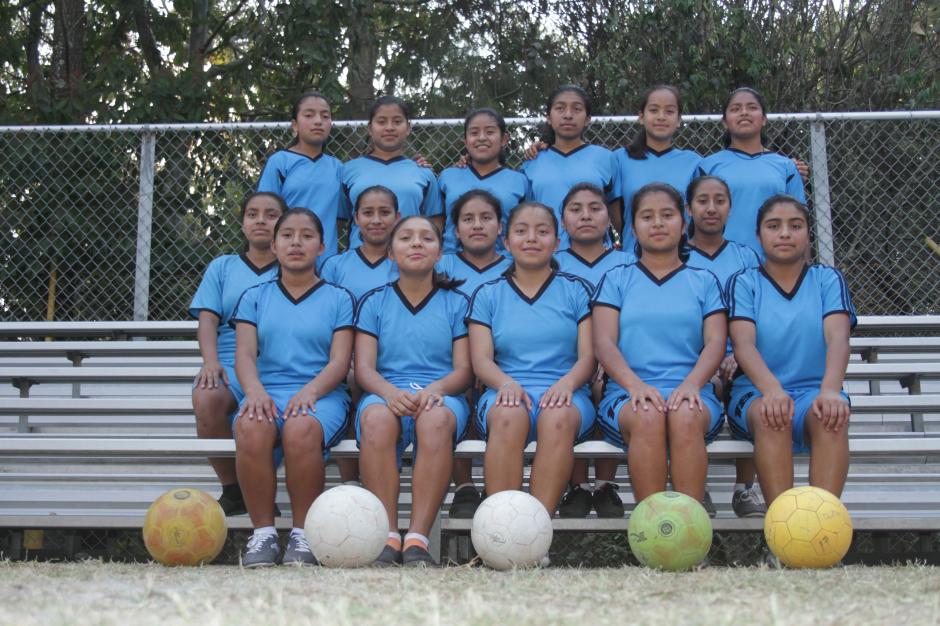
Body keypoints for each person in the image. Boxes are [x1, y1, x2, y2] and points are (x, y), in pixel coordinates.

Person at [231, 208, 354, 567]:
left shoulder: (339, 298)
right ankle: (263, 534)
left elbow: (339, 362)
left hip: (322, 395)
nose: (296, 243)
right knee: (251, 427)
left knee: (301, 428)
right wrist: (254, 392)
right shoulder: (254, 297)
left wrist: (311, 392)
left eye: (306, 236)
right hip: (268, 392)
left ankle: (303, 535)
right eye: (287, 236)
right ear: (274, 244)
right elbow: (244, 355)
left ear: (322, 246)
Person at [593, 183, 727, 505]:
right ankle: (651, 531)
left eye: (667, 215)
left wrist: (693, 384)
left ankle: (691, 533)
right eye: (647, 216)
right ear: (633, 227)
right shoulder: (616, 279)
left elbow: (716, 341)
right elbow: (604, 342)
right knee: (647, 415)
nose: (657, 224)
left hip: (693, 391)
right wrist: (635, 386)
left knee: (685, 415)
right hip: (626, 393)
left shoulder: (704, 281)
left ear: (683, 224)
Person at [355, 216, 473, 566]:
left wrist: (435, 389)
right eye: (406, 238)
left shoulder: (457, 302)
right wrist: (390, 394)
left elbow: (465, 370)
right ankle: (388, 537)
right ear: (390, 253)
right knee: (376, 419)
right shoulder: (374, 301)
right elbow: (363, 368)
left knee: (435, 419)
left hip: (441, 394)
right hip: (385, 391)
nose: (417, 243)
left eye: (426, 238)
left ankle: (417, 540)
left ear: (440, 253)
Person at [467, 201, 596, 519]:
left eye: (542, 231)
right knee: (509, 414)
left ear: (557, 241)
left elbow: (588, 356)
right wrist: (505, 383)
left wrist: (567, 383)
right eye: (521, 231)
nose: (532, 239)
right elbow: (481, 359)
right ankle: (502, 527)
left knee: (559, 416)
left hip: (567, 392)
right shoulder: (488, 294)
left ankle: (537, 529)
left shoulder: (577, 291)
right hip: (506, 388)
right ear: (507, 242)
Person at [727, 194, 855, 509]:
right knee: (773, 416)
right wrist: (771, 390)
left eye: (795, 226)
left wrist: (830, 391)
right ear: (759, 235)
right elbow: (743, 345)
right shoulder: (744, 283)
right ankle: (781, 535)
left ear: (808, 233)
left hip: (814, 391)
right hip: (756, 393)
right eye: (774, 226)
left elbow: (838, 338)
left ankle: (821, 529)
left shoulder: (827, 279)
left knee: (830, 416)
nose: (785, 233)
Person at [189, 191, 284, 516]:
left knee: (266, 412)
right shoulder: (223, 267)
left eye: (271, 215)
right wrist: (211, 361)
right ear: (242, 223)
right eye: (253, 214)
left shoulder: (295, 268)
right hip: (230, 360)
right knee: (206, 396)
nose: (261, 220)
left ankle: (259, 489)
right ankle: (233, 490)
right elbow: (207, 320)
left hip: (277, 365)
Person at [554, 183, 635, 519]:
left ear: (609, 217)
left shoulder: (629, 262)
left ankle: (604, 485)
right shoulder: (550, 262)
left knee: (607, 385)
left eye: (595, 208)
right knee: (571, 391)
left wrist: (606, 361)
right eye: (575, 209)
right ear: (562, 220)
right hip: (566, 361)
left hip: (618, 357)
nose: (585, 215)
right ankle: (575, 485)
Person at [684, 175, 763, 517]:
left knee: (755, 386)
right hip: (691, 357)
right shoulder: (675, 255)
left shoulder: (747, 257)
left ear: (730, 208)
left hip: (740, 355)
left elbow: (758, 312)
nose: (711, 208)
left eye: (719, 200)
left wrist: (735, 354)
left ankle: (743, 489)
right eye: (702, 201)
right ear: (689, 208)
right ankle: (694, 487)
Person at [435, 190, 513, 518]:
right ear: (455, 231)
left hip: (505, 360)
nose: (477, 225)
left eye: (486, 218)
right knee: (457, 385)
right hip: (452, 357)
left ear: (500, 227)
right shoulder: (441, 265)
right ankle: (465, 485)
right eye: (468, 219)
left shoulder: (516, 264)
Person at [697, 87, 807, 257]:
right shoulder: (707, 166)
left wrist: (802, 269)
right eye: (735, 109)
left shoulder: (786, 167)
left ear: (763, 119)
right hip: (723, 264)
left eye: (752, 107)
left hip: (773, 266)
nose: (744, 113)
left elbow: (800, 223)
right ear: (725, 121)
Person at [521, 85, 617, 248]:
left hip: (594, 255)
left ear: (587, 119)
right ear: (549, 118)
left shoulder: (606, 158)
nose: (568, 115)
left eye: (576, 109)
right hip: (548, 256)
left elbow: (616, 212)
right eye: (560, 108)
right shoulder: (533, 161)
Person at [256, 92, 346, 263]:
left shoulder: (337, 168)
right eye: (309, 115)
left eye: (325, 116)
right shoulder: (280, 162)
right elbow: (267, 213)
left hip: (325, 263)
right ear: (295, 125)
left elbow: (339, 218)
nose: (318, 121)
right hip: (287, 262)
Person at [611, 85, 702, 252]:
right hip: (635, 258)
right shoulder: (620, 159)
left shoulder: (693, 162)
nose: (661, 117)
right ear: (641, 117)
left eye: (669, 111)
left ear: (679, 119)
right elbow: (616, 213)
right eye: (654, 110)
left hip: (681, 260)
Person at [342, 95, 442, 247]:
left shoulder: (423, 172)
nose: (389, 127)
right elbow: (338, 219)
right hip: (361, 263)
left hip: (410, 259)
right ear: (370, 128)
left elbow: (436, 220)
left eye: (397, 121)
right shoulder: (348, 170)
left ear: (408, 128)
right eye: (381, 122)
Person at [438, 108, 528, 254]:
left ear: (504, 139)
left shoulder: (519, 180)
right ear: (465, 141)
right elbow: (437, 222)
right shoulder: (447, 177)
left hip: (504, 263)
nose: (481, 138)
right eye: (474, 133)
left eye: (490, 132)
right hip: (452, 261)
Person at [319, 185, 400, 301]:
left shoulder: (407, 264)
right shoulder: (335, 265)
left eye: (385, 212)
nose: (376, 220)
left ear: (397, 217)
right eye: (368, 213)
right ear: (356, 218)